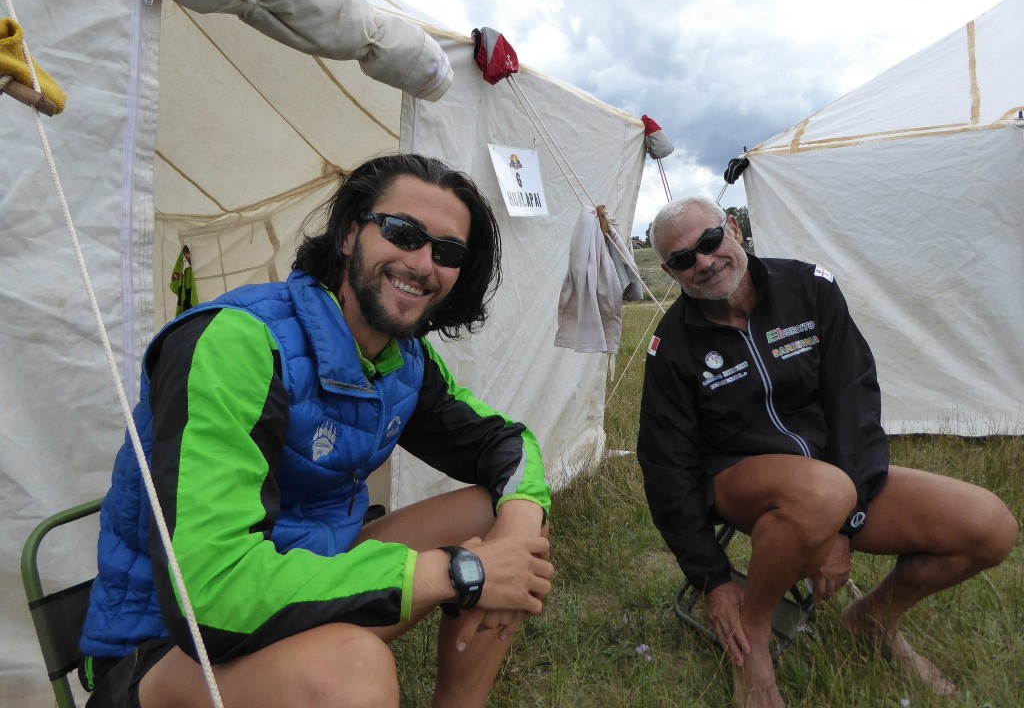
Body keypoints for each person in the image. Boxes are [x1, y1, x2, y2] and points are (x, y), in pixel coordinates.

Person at [78, 153, 554, 708]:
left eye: (446, 251)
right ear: (350, 235)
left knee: (504, 523)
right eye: (403, 232)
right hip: (169, 640)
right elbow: (205, 598)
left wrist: (517, 528)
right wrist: (457, 571)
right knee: (353, 671)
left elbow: (505, 443)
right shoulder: (237, 343)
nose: (423, 263)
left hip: (304, 576)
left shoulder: (403, 361)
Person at [637, 196, 1018, 708]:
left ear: (733, 229)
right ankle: (753, 644)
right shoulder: (672, 345)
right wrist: (712, 579)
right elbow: (666, 466)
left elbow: (853, 397)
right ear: (669, 272)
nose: (704, 261)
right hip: (740, 482)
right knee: (824, 489)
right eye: (684, 259)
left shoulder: (809, 288)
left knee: (989, 526)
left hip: (831, 483)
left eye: (709, 241)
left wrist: (846, 519)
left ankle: (873, 620)